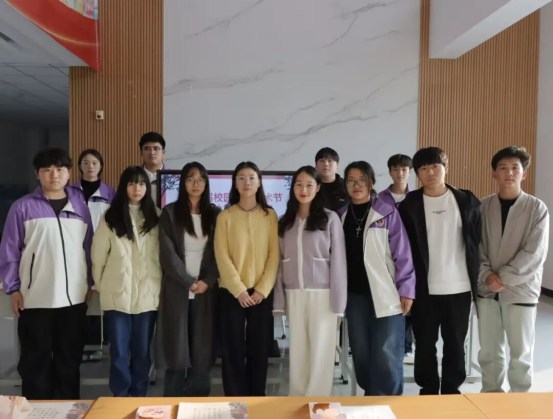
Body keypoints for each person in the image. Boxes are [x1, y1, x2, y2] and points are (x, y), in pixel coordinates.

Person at [0, 148, 93, 400]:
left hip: (73, 300)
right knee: (35, 364)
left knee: (69, 362)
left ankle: (67, 410)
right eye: (47, 170)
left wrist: (89, 282)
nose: (54, 175)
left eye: (60, 169)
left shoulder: (80, 207)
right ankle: (37, 412)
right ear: (37, 174)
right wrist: (13, 288)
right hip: (35, 299)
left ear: (69, 173)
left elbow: (88, 248)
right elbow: (9, 251)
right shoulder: (22, 207)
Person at [398, 147, 481, 395]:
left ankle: (452, 390)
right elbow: (402, 248)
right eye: (423, 168)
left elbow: (478, 241)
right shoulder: (409, 205)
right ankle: (428, 389)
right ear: (417, 174)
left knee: (456, 342)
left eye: (435, 166)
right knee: (424, 343)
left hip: (459, 286)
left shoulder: (466, 201)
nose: (430, 172)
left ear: (446, 168)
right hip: (424, 288)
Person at [337, 161, 415, 396]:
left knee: (386, 351)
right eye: (351, 181)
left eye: (362, 180)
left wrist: (406, 290)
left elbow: (403, 254)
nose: (356, 185)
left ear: (371, 182)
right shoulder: (340, 217)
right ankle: (370, 396)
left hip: (386, 293)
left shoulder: (387, 213)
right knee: (361, 351)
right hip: (355, 296)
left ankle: (387, 402)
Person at [478, 146, 549, 393]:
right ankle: (490, 398)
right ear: (494, 173)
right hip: (487, 290)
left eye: (515, 168)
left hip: (521, 291)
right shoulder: (482, 207)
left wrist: (503, 278)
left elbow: (535, 252)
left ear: (524, 173)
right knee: (489, 352)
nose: (509, 173)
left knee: (520, 355)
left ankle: (519, 403)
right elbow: (474, 246)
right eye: (503, 168)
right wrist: (486, 275)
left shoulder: (537, 208)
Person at [273, 166, 347, 397]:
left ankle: (317, 398)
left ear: (318, 188)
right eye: (299, 184)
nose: (303, 189)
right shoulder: (285, 222)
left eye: (309, 185)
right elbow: (279, 263)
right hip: (294, 293)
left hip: (323, 294)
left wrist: (338, 302)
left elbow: (339, 261)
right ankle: (297, 396)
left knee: (321, 349)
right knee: (298, 348)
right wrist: (279, 300)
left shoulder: (330, 218)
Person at [91, 166, 162, 397]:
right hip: (117, 297)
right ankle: (120, 397)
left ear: (147, 187)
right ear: (124, 187)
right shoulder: (111, 217)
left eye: (141, 184)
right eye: (131, 183)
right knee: (119, 353)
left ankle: (138, 395)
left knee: (142, 352)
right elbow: (98, 257)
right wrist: (104, 286)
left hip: (147, 297)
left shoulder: (157, 217)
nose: (136, 188)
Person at [214, 162, 280, 396]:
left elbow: (274, 254)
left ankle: (255, 396)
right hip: (232, 292)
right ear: (235, 183)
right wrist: (239, 290)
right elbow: (221, 255)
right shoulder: (225, 216)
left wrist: (263, 288)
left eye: (252, 178)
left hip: (261, 292)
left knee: (259, 347)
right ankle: (234, 396)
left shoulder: (270, 215)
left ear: (259, 182)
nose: (247, 183)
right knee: (232, 347)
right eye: (241, 178)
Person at [157, 162, 220, 397]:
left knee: (202, 350)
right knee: (176, 349)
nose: (196, 184)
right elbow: (167, 253)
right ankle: (172, 402)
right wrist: (187, 281)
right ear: (183, 183)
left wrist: (208, 280)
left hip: (206, 292)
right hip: (177, 289)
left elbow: (220, 251)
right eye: (191, 179)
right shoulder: (170, 213)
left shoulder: (215, 214)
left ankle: (199, 404)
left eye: (201, 179)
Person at [378, 154, 415, 364]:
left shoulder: (417, 198)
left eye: (404, 169)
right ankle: (392, 345)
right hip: (386, 257)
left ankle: (407, 344)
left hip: (412, 257)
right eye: (395, 169)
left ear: (410, 172)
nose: (400, 173)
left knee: (408, 299)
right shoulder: (380, 199)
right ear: (390, 172)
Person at [73, 149, 116, 231]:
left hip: (101, 237)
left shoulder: (110, 193)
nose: (90, 166)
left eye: (94, 163)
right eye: (86, 163)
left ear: (100, 166)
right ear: (80, 166)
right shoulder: (70, 192)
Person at [315, 147, 350, 212]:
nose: (326, 164)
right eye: (322, 161)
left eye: (330, 161)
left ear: (337, 165)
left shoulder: (347, 186)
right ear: (316, 165)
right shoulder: (310, 187)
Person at [140, 132, 167, 206]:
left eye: (156, 148)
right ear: (141, 153)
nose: (152, 152)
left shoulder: (174, 178)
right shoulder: (131, 177)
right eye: (147, 149)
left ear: (163, 152)